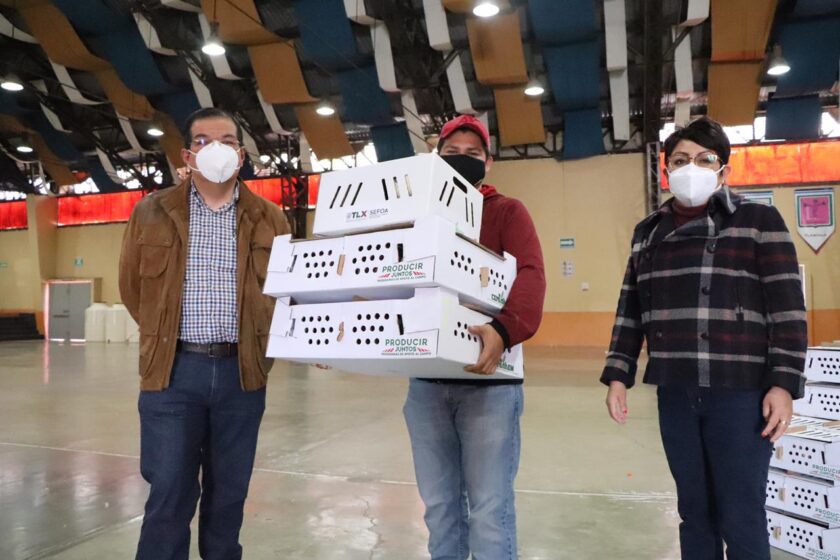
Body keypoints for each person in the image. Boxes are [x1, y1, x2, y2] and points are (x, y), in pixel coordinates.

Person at [601, 117, 807, 559]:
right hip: (675, 389)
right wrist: (619, 374)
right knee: (694, 512)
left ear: (724, 171)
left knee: (741, 512)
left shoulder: (758, 220)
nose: (690, 168)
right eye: (680, 160)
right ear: (666, 172)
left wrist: (783, 384)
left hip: (740, 392)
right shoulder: (648, 232)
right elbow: (630, 308)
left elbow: (788, 308)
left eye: (704, 159)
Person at [119, 107, 289, 560]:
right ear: (187, 155)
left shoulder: (271, 218)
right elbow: (132, 289)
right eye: (203, 141)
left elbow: (285, 293)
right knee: (169, 493)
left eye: (228, 141)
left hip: (242, 374)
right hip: (172, 374)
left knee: (229, 494)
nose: (216, 149)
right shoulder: (151, 212)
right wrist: (163, 338)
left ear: (242, 154)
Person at [403, 115, 546, 559]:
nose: (462, 160)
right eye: (452, 153)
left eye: (472, 154)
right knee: (439, 507)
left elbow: (531, 275)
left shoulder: (506, 212)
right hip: (427, 385)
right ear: (436, 157)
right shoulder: (417, 215)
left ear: (488, 161)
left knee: (489, 511)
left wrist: (503, 330)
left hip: (490, 385)